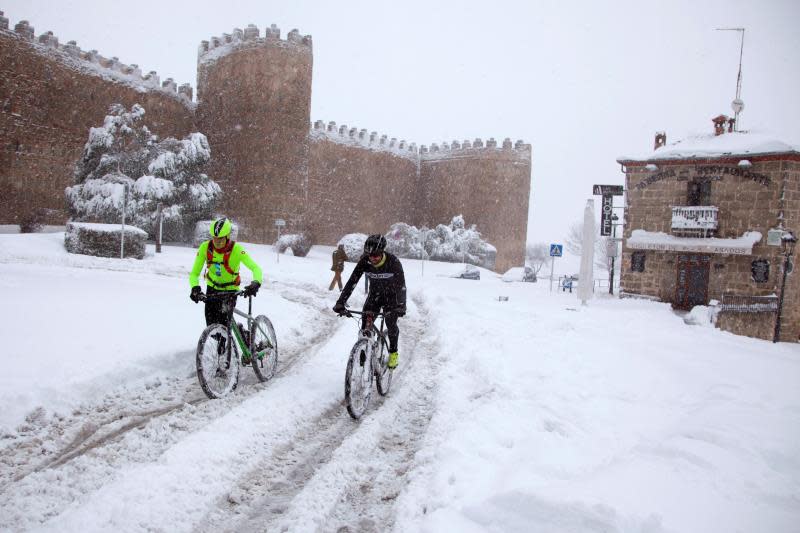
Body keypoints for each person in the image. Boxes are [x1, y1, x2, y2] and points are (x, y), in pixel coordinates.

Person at [333, 234, 406, 369]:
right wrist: (340, 302)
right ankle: (363, 351)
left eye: (375, 255)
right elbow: (351, 282)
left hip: (391, 298)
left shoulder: (393, 262)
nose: (372, 258)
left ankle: (393, 353)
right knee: (366, 323)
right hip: (375, 296)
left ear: (382, 252)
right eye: (369, 255)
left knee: (391, 324)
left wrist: (401, 305)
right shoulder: (365, 261)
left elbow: (402, 286)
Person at [189, 218, 263, 332]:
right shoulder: (205, 248)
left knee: (224, 327)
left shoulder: (237, 249)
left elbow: (255, 268)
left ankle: (234, 339)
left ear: (227, 236)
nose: (217, 242)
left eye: (220, 239)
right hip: (212, 291)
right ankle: (232, 335)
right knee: (211, 329)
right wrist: (195, 288)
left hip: (230, 291)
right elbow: (194, 273)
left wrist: (256, 282)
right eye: (214, 238)